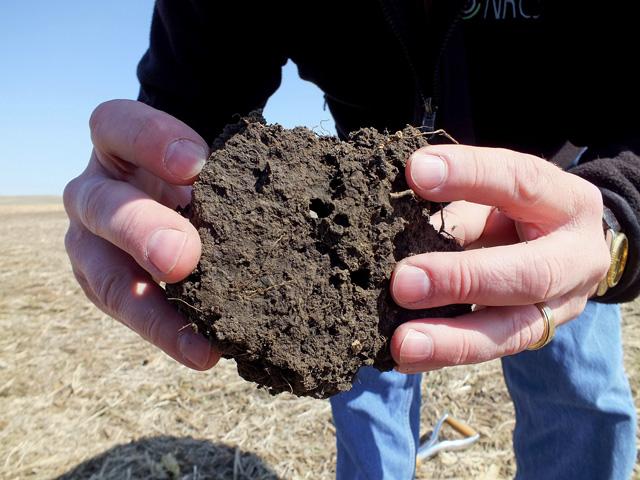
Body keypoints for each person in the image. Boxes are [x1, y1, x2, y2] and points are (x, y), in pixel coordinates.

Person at [63, 1, 638, 478]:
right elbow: (197, 86)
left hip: (553, 213)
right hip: (355, 235)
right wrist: (152, 156)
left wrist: (615, 217)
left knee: (578, 395)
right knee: (367, 399)